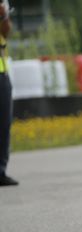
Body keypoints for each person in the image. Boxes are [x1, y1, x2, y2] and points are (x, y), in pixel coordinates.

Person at [0, 0, 17, 186]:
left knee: (4, 125)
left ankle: (1, 171)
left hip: (1, 74)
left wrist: (4, 14)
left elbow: (6, 32)